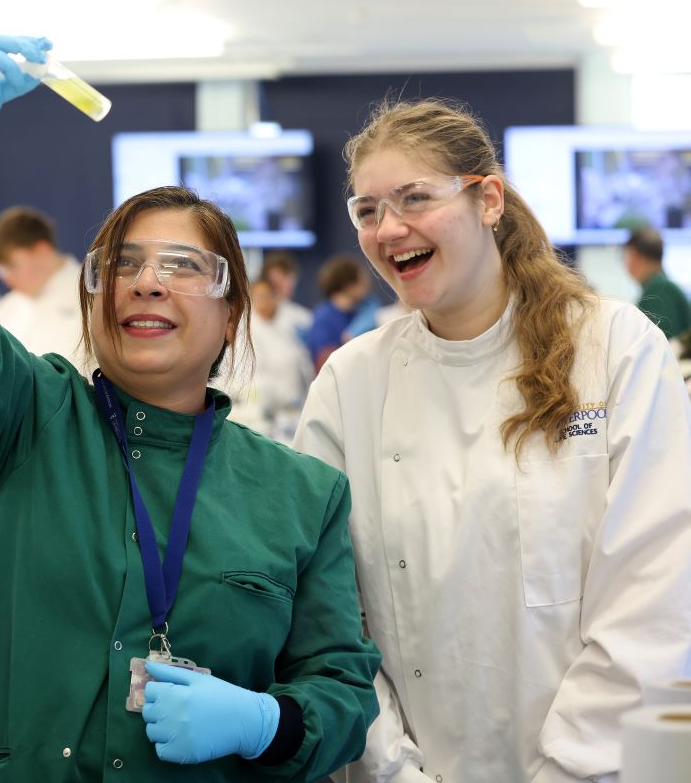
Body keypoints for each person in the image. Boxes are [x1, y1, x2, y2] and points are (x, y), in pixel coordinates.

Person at [0, 35, 380, 782]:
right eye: (124, 263)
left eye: (183, 267)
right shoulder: (25, 420)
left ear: (233, 312)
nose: (147, 282)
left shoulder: (300, 496)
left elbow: (340, 686)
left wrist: (265, 722)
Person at [293, 99, 691, 783]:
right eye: (366, 210)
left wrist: (571, 769)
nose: (389, 228)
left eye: (415, 197)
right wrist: (394, 770)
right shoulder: (351, 383)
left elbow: (657, 590)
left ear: (489, 201)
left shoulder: (614, 348)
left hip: (598, 767)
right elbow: (327, 617)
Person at [0, 204, 83, 361]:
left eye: (12, 267)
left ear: (41, 250)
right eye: (1, 271)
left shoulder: (91, 296)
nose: (7, 279)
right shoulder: (8, 308)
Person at [229, 277, 314, 442]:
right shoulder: (247, 330)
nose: (263, 301)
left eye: (266, 295)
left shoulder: (289, 325)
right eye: (258, 296)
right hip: (262, 414)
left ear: (275, 296)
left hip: (294, 409)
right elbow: (252, 376)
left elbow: (301, 366)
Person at [303, 255, 371, 372]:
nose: (366, 285)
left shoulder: (360, 313)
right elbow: (324, 365)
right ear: (348, 285)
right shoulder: (324, 319)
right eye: (361, 280)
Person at [622, 225, 691, 340]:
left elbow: (662, 345)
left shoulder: (659, 291)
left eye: (626, 256)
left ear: (635, 256)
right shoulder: (662, 286)